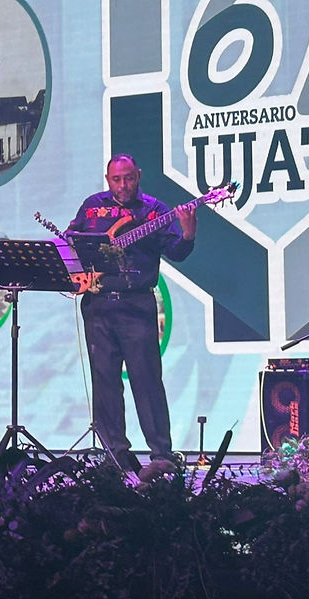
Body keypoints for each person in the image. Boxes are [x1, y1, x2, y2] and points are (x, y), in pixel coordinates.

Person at [69, 154, 197, 483]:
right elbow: (70, 243)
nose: (123, 186)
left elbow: (178, 252)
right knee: (105, 383)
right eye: (116, 180)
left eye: (128, 178)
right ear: (107, 179)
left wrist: (188, 233)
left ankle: (161, 455)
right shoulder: (92, 207)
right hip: (97, 304)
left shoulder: (155, 209)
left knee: (146, 380)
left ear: (138, 175)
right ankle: (116, 455)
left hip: (137, 303)